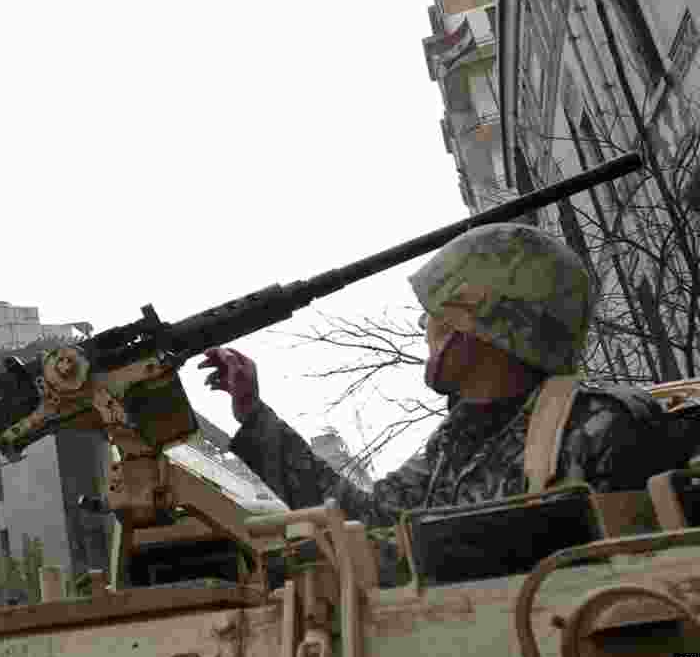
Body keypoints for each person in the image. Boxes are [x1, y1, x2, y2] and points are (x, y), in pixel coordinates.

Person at [200, 223, 697, 584]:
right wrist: (252, 414)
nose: (426, 332)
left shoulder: (597, 427)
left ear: (473, 327)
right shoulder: (456, 441)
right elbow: (368, 522)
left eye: (432, 319)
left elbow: (653, 596)